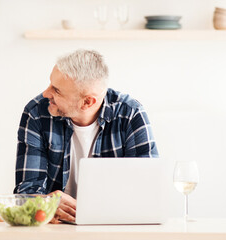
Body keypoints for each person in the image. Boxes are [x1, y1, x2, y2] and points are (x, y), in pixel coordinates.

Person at [14, 49, 158, 223]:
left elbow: (148, 192)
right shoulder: (37, 112)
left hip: (113, 226)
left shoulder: (130, 114)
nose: (46, 93)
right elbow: (27, 193)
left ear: (87, 102)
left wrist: (93, 211)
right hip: (55, 228)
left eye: (57, 90)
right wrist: (45, 203)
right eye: (50, 84)